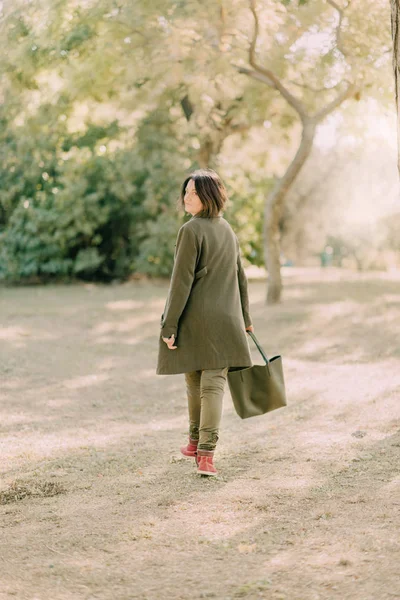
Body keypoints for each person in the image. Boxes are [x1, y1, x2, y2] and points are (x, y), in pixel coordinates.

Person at [156, 169, 254, 477]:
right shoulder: (227, 229)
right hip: (227, 321)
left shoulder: (191, 230)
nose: (186, 197)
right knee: (211, 383)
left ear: (209, 196)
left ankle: (198, 443)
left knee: (196, 382)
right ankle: (203, 451)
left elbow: (180, 282)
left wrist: (169, 325)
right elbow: (241, 277)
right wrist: (246, 320)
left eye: (193, 193)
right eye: (185, 191)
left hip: (196, 320)